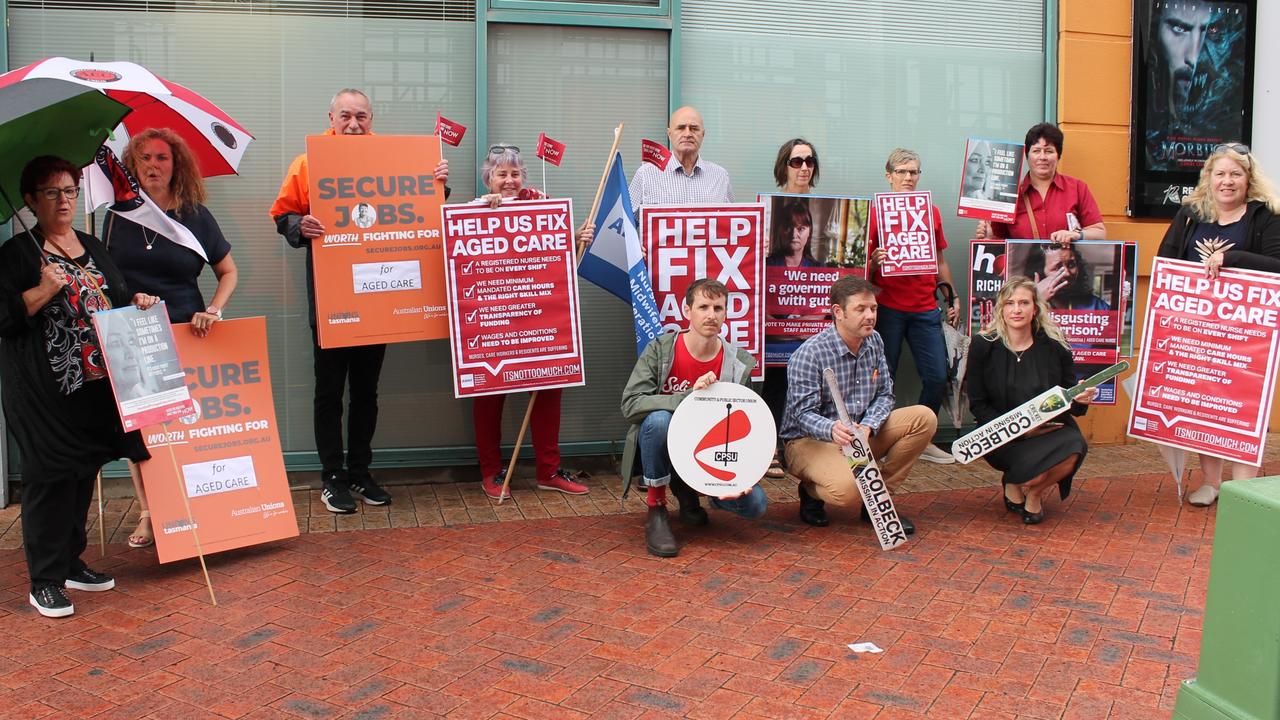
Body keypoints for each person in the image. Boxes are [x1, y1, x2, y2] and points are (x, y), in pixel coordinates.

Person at [270, 88, 448, 514]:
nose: (353, 123)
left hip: (379, 296)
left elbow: (427, 212)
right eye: (345, 116)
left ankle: (361, 472)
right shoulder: (308, 162)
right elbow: (282, 216)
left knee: (367, 391)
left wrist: (438, 181)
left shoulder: (394, 156)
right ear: (330, 116)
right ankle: (332, 477)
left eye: (362, 116)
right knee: (329, 391)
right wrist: (300, 225)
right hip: (332, 298)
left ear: (372, 119)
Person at [0, 156, 161, 617]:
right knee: (49, 477)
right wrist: (41, 290)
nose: (63, 200)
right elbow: (4, 316)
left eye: (70, 190)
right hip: (44, 391)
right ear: (30, 200)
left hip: (95, 386)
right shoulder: (17, 254)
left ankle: (71, 561)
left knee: (82, 470)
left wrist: (139, 301)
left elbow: (116, 294)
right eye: (51, 192)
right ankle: (44, 580)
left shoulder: (90, 244)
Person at [108, 127, 239, 548]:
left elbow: (228, 272)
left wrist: (214, 310)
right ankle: (150, 514)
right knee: (143, 433)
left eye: (161, 157)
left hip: (189, 332)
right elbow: (108, 281)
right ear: (130, 165)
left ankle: (197, 509)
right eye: (143, 158)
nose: (152, 165)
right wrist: (130, 296)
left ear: (175, 163)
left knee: (189, 428)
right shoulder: (116, 215)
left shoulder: (194, 215)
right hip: (136, 333)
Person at [1156, 143, 1280, 506]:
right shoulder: (1191, 214)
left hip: (1247, 333)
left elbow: (1277, 264)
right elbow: (1166, 261)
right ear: (1208, 179)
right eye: (1220, 174)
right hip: (1196, 329)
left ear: (1248, 179)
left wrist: (1230, 257)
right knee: (1204, 404)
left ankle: (1244, 491)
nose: (1227, 181)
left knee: (1243, 405)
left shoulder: (1265, 216)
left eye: (1235, 174)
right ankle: (1211, 482)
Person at [469, 144, 592, 499]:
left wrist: (576, 239)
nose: (510, 181)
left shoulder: (541, 203)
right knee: (490, 394)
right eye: (501, 174)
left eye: (515, 173)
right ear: (489, 179)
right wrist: (484, 213)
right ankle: (491, 472)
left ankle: (548, 470)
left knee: (549, 388)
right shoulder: (475, 208)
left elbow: (553, 255)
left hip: (535, 315)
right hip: (494, 319)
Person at [620, 279, 767, 557]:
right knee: (658, 420)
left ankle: (693, 493)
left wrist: (743, 476)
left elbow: (748, 423)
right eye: (703, 307)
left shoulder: (736, 362)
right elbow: (630, 404)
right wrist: (687, 397)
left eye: (718, 308)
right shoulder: (661, 349)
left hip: (709, 453)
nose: (711, 315)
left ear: (725, 314)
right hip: (664, 446)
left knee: (755, 505)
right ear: (688, 311)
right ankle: (657, 510)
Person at [781, 276, 935, 532]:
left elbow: (885, 394)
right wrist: (832, 430)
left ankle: (877, 500)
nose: (870, 316)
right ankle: (811, 492)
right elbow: (801, 414)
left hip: (858, 434)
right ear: (838, 312)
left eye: (873, 308)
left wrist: (868, 426)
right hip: (809, 440)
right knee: (847, 492)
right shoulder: (810, 353)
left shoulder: (875, 341)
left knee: (924, 417)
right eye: (860, 309)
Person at [964, 277, 1097, 524]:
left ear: (1035, 308)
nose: (1017, 310)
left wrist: (1081, 399)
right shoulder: (984, 345)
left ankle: (1035, 493)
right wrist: (1022, 430)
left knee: (1075, 446)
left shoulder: (1055, 345)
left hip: (1049, 429)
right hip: (1000, 433)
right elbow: (978, 404)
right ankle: (1015, 478)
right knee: (1032, 468)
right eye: (1010, 303)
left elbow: (1070, 403)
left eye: (1024, 303)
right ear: (1001, 309)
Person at [866, 148, 958, 464]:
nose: (908, 177)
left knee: (936, 375)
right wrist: (873, 261)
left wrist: (952, 296)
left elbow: (941, 259)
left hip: (924, 307)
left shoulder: (930, 212)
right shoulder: (875, 212)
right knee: (883, 379)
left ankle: (922, 439)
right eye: (902, 172)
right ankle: (883, 442)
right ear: (888, 175)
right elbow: (860, 267)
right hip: (888, 307)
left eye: (914, 172)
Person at [990, 123, 1106, 245]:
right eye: (1036, 151)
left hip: (1064, 263)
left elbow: (1100, 233)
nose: (1042, 157)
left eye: (1049, 151)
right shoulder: (1009, 194)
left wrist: (1077, 234)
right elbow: (999, 240)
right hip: (1024, 264)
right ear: (1027, 155)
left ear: (1058, 156)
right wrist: (989, 235)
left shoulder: (1077, 188)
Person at [628, 106, 733, 211]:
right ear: (670, 134)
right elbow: (625, 222)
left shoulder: (720, 176)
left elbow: (730, 222)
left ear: (703, 134)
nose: (687, 134)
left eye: (694, 128)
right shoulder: (646, 175)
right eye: (681, 128)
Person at [1019, 243, 1111, 311]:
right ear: (1039, 273)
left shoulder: (1097, 307)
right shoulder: (1021, 306)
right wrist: (1037, 301)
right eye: (1057, 267)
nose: (1067, 273)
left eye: (1071, 265)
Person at [766, 200, 819, 267]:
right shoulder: (766, 266)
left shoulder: (818, 270)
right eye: (788, 228)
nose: (794, 235)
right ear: (780, 230)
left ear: (810, 232)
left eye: (801, 229)